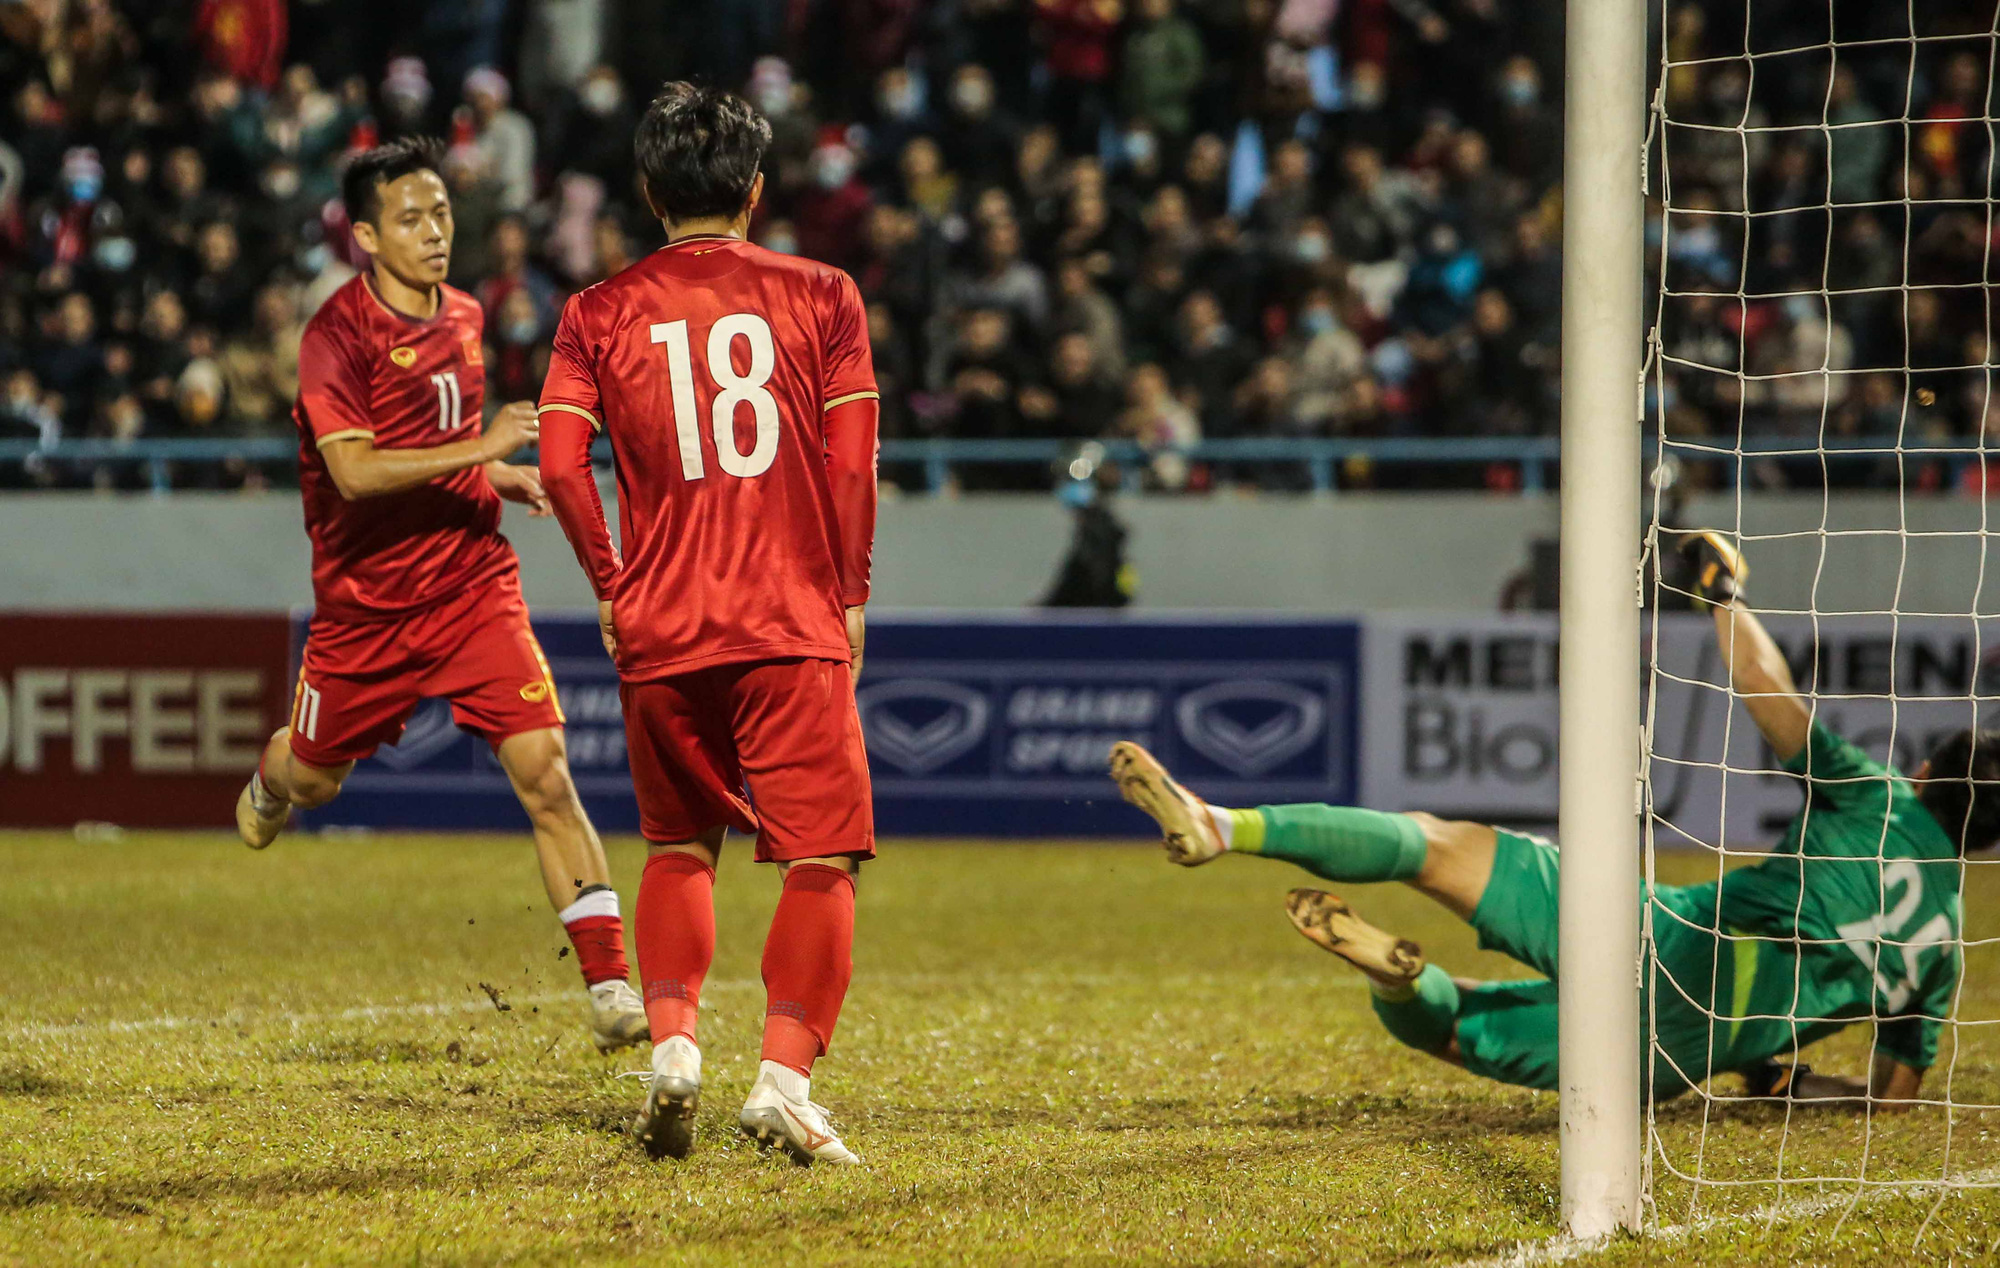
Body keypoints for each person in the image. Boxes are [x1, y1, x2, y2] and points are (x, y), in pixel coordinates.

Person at [1109, 533, 2000, 1106]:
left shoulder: (1880, 796)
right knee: (1459, 1028)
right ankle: (1399, 982)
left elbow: (1773, 699)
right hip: (1679, 1052)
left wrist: (1723, 595)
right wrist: (1790, 1079)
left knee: (1433, 845)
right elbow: (1894, 1099)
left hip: (1661, 935)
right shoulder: (1944, 946)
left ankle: (1226, 826)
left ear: (1925, 772)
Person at [233, 138, 648, 1056]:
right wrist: (484, 449)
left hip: (469, 582)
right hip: (365, 611)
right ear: (368, 237)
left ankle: (613, 984)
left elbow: (446, 439)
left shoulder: (462, 313)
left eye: (443, 214)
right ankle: (276, 769)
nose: (435, 233)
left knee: (544, 770)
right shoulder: (334, 337)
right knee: (316, 780)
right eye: (413, 220)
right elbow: (352, 472)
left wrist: (494, 477)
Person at [538, 83, 879, 1166]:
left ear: (647, 193)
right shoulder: (823, 292)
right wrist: (850, 590)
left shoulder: (597, 311)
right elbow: (851, 461)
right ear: (758, 190)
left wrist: (609, 575)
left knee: (679, 844)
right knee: (820, 856)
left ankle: (675, 1048)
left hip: (663, 619)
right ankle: (780, 1081)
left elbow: (557, 462)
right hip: (788, 614)